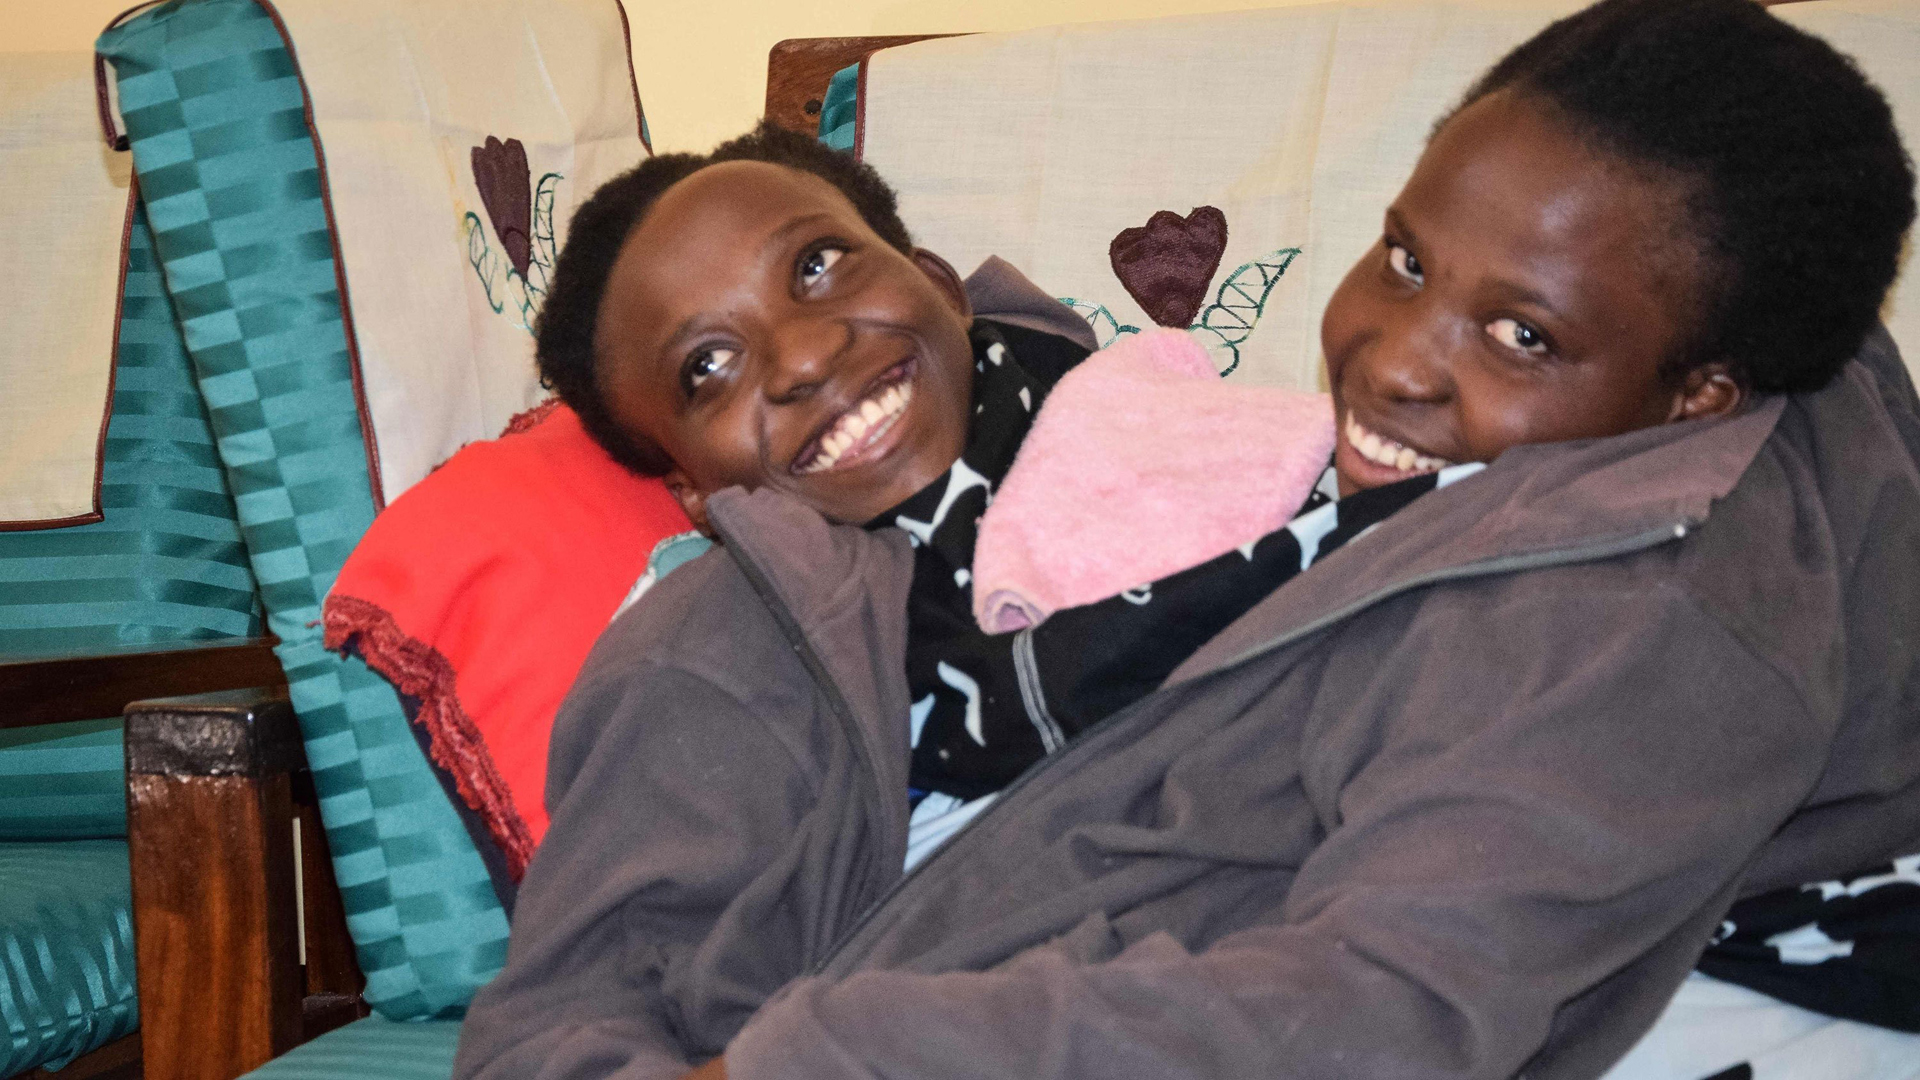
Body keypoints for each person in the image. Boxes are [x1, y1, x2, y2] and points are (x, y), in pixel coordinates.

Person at [453, 0, 1919, 1077]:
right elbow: (561, 1017)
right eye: (706, 372)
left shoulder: (1215, 448)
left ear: (934, 272)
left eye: (822, 264)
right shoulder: (713, 646)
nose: (800, 358)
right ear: (694, 489)